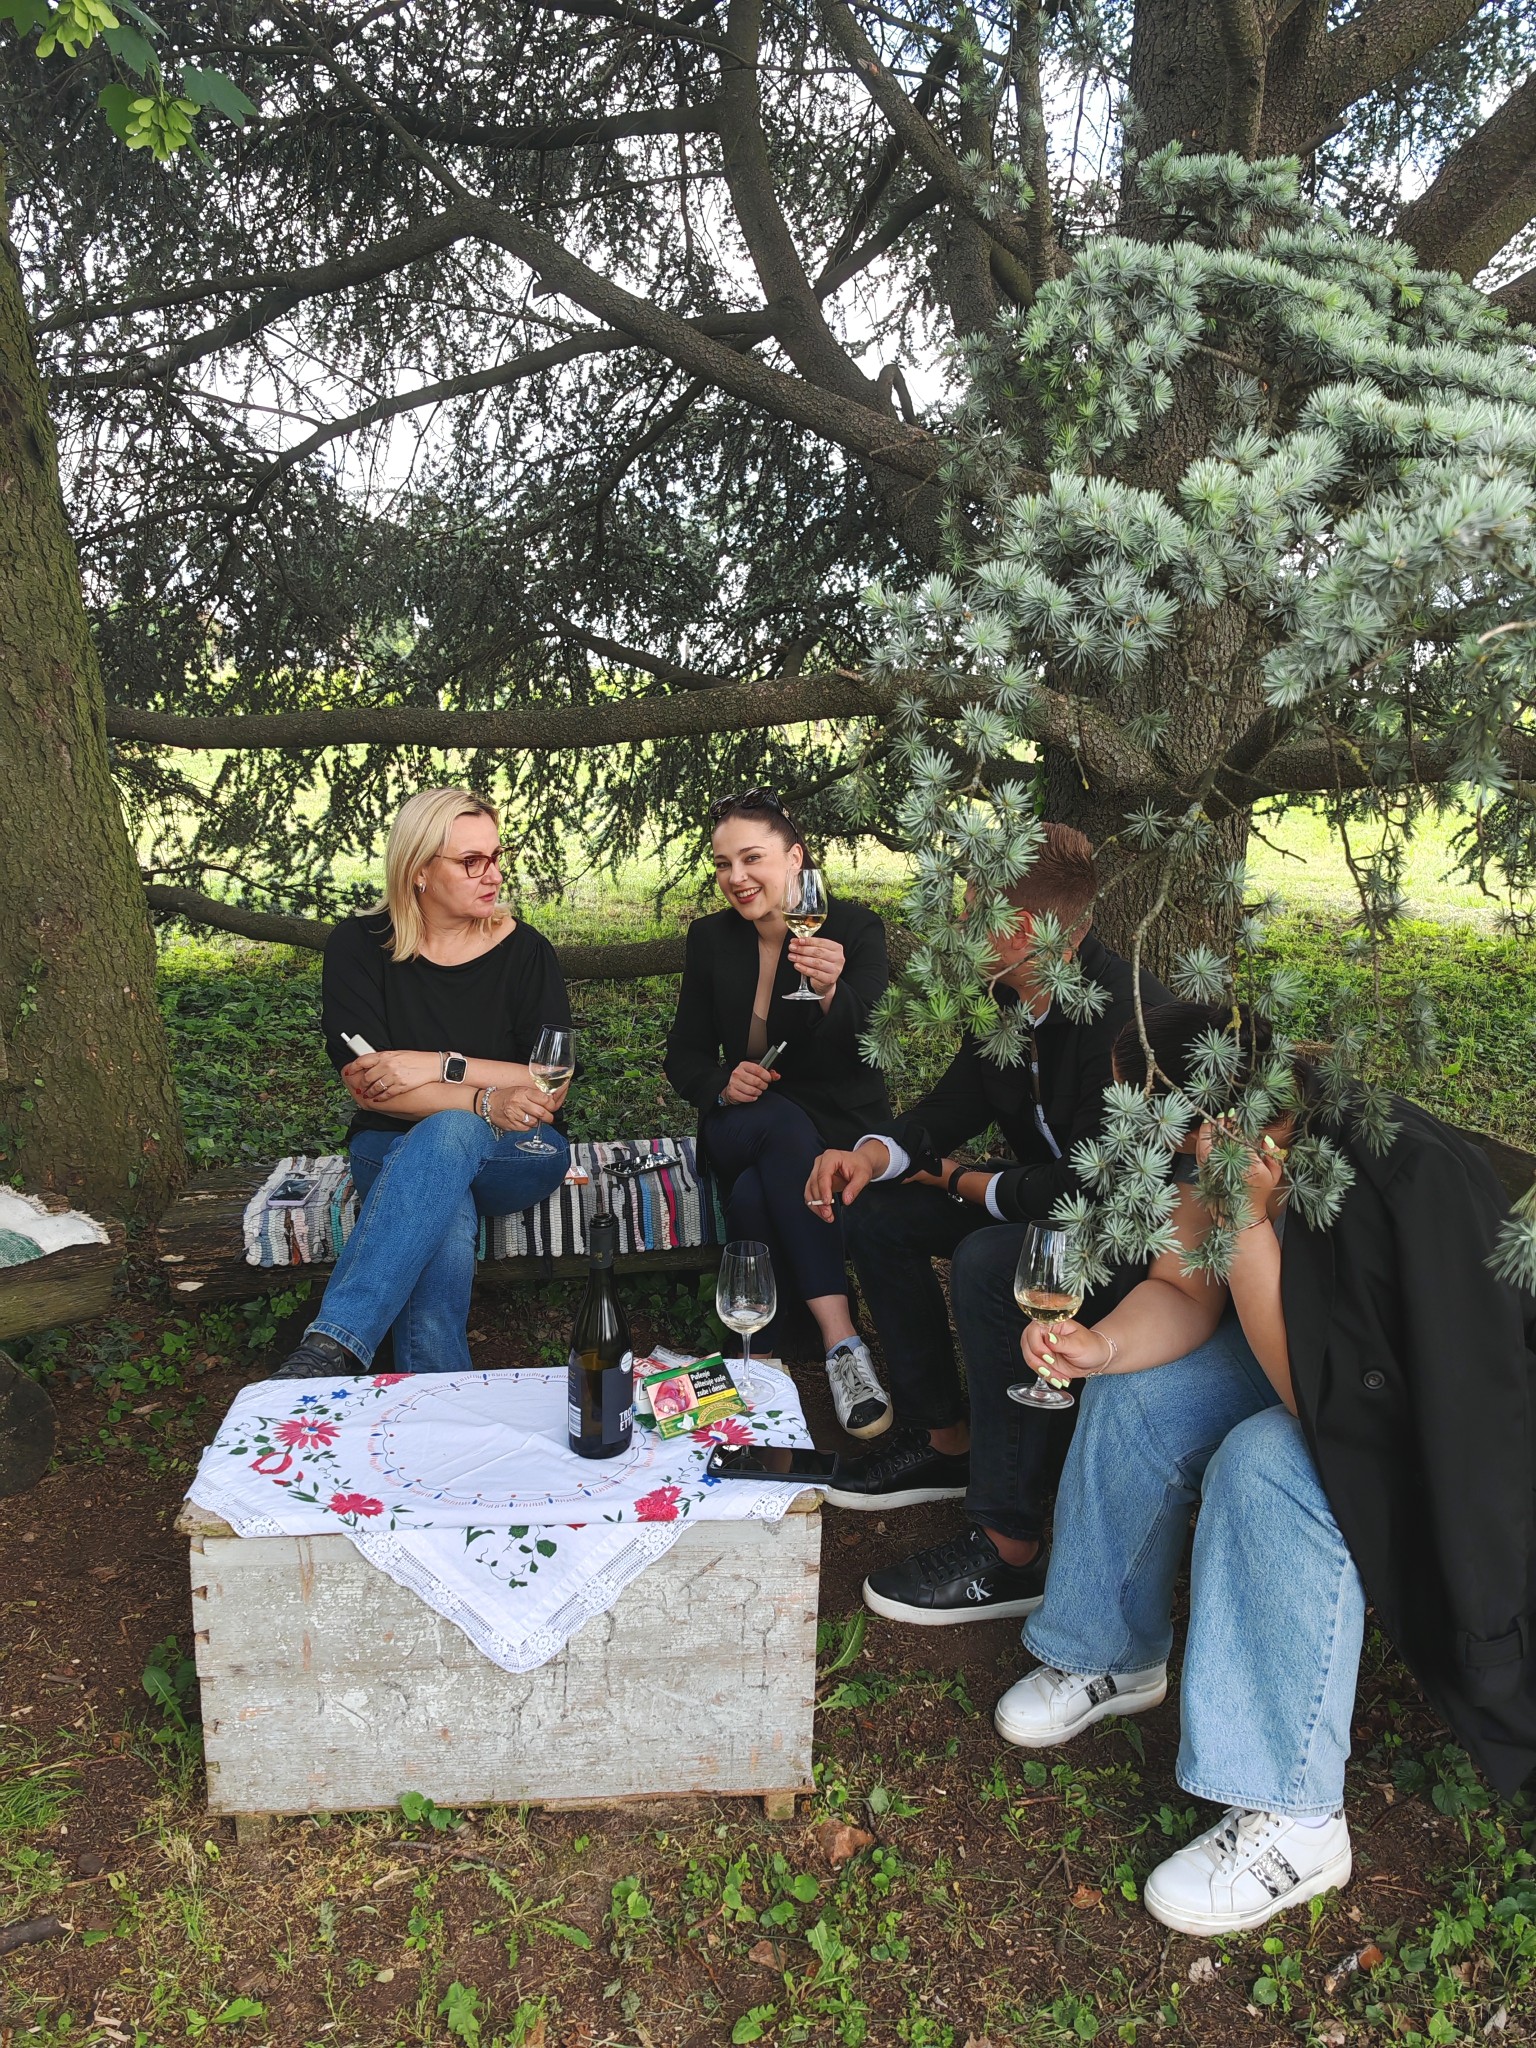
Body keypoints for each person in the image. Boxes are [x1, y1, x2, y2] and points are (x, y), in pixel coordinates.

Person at [991, 1002, 1536, 1936]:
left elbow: (1322, 1407)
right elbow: (1183, 1289)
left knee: (1266, 1467)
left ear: (1215, 1111)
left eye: (1147, 1116)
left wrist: (1242, 1215)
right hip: (1318, 1366)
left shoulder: (1382, 1169)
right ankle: (1106, 1653)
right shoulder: (1218, 1150)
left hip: (1429, 1423)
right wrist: (1101, 1349)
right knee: (1138, 1394)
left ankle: (1297, 1816)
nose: (1137, 1138)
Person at [803, 824, 1168, 1624]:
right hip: (1040, 1208)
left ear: (1035, 928)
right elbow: (951, 1105)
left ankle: (1010, 1545)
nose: (963, 929)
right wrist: (871, 1155)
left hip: (1134, 1248)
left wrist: (965, 1181)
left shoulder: (1128, 1021)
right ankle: (944, 1438)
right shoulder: (1009, 995)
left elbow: (1088, 1188)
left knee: (989, 1259)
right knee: (880, 1211)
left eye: (977, 914)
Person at [272, 787, 573, 1380]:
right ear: (418, 871)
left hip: (521, 1151)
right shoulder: (359, 947)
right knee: (444, 1184)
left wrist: (439, 1066)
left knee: (449, 1137)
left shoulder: (526, 953)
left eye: (496, 856)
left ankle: (333, 1344)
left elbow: (551, 1086)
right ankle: (440, 1394)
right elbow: (370, 1089)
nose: (493, 875)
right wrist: (486, 1099)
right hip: (390, 1145)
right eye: (471, 861)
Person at [664, 789, 894, 1436]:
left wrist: (830, 991)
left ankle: (756, 1358)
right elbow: (683, 1055)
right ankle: (842, 1343)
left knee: (754, 1195)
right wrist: (722, 1081)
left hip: (836, 1126)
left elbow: (869, 1041)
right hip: (744, 1120)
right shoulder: (711, 938)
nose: (735, 877)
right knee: (779, 1125)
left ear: (795, 859)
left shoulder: (854, 929)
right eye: (722, 864)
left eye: (751, 858)